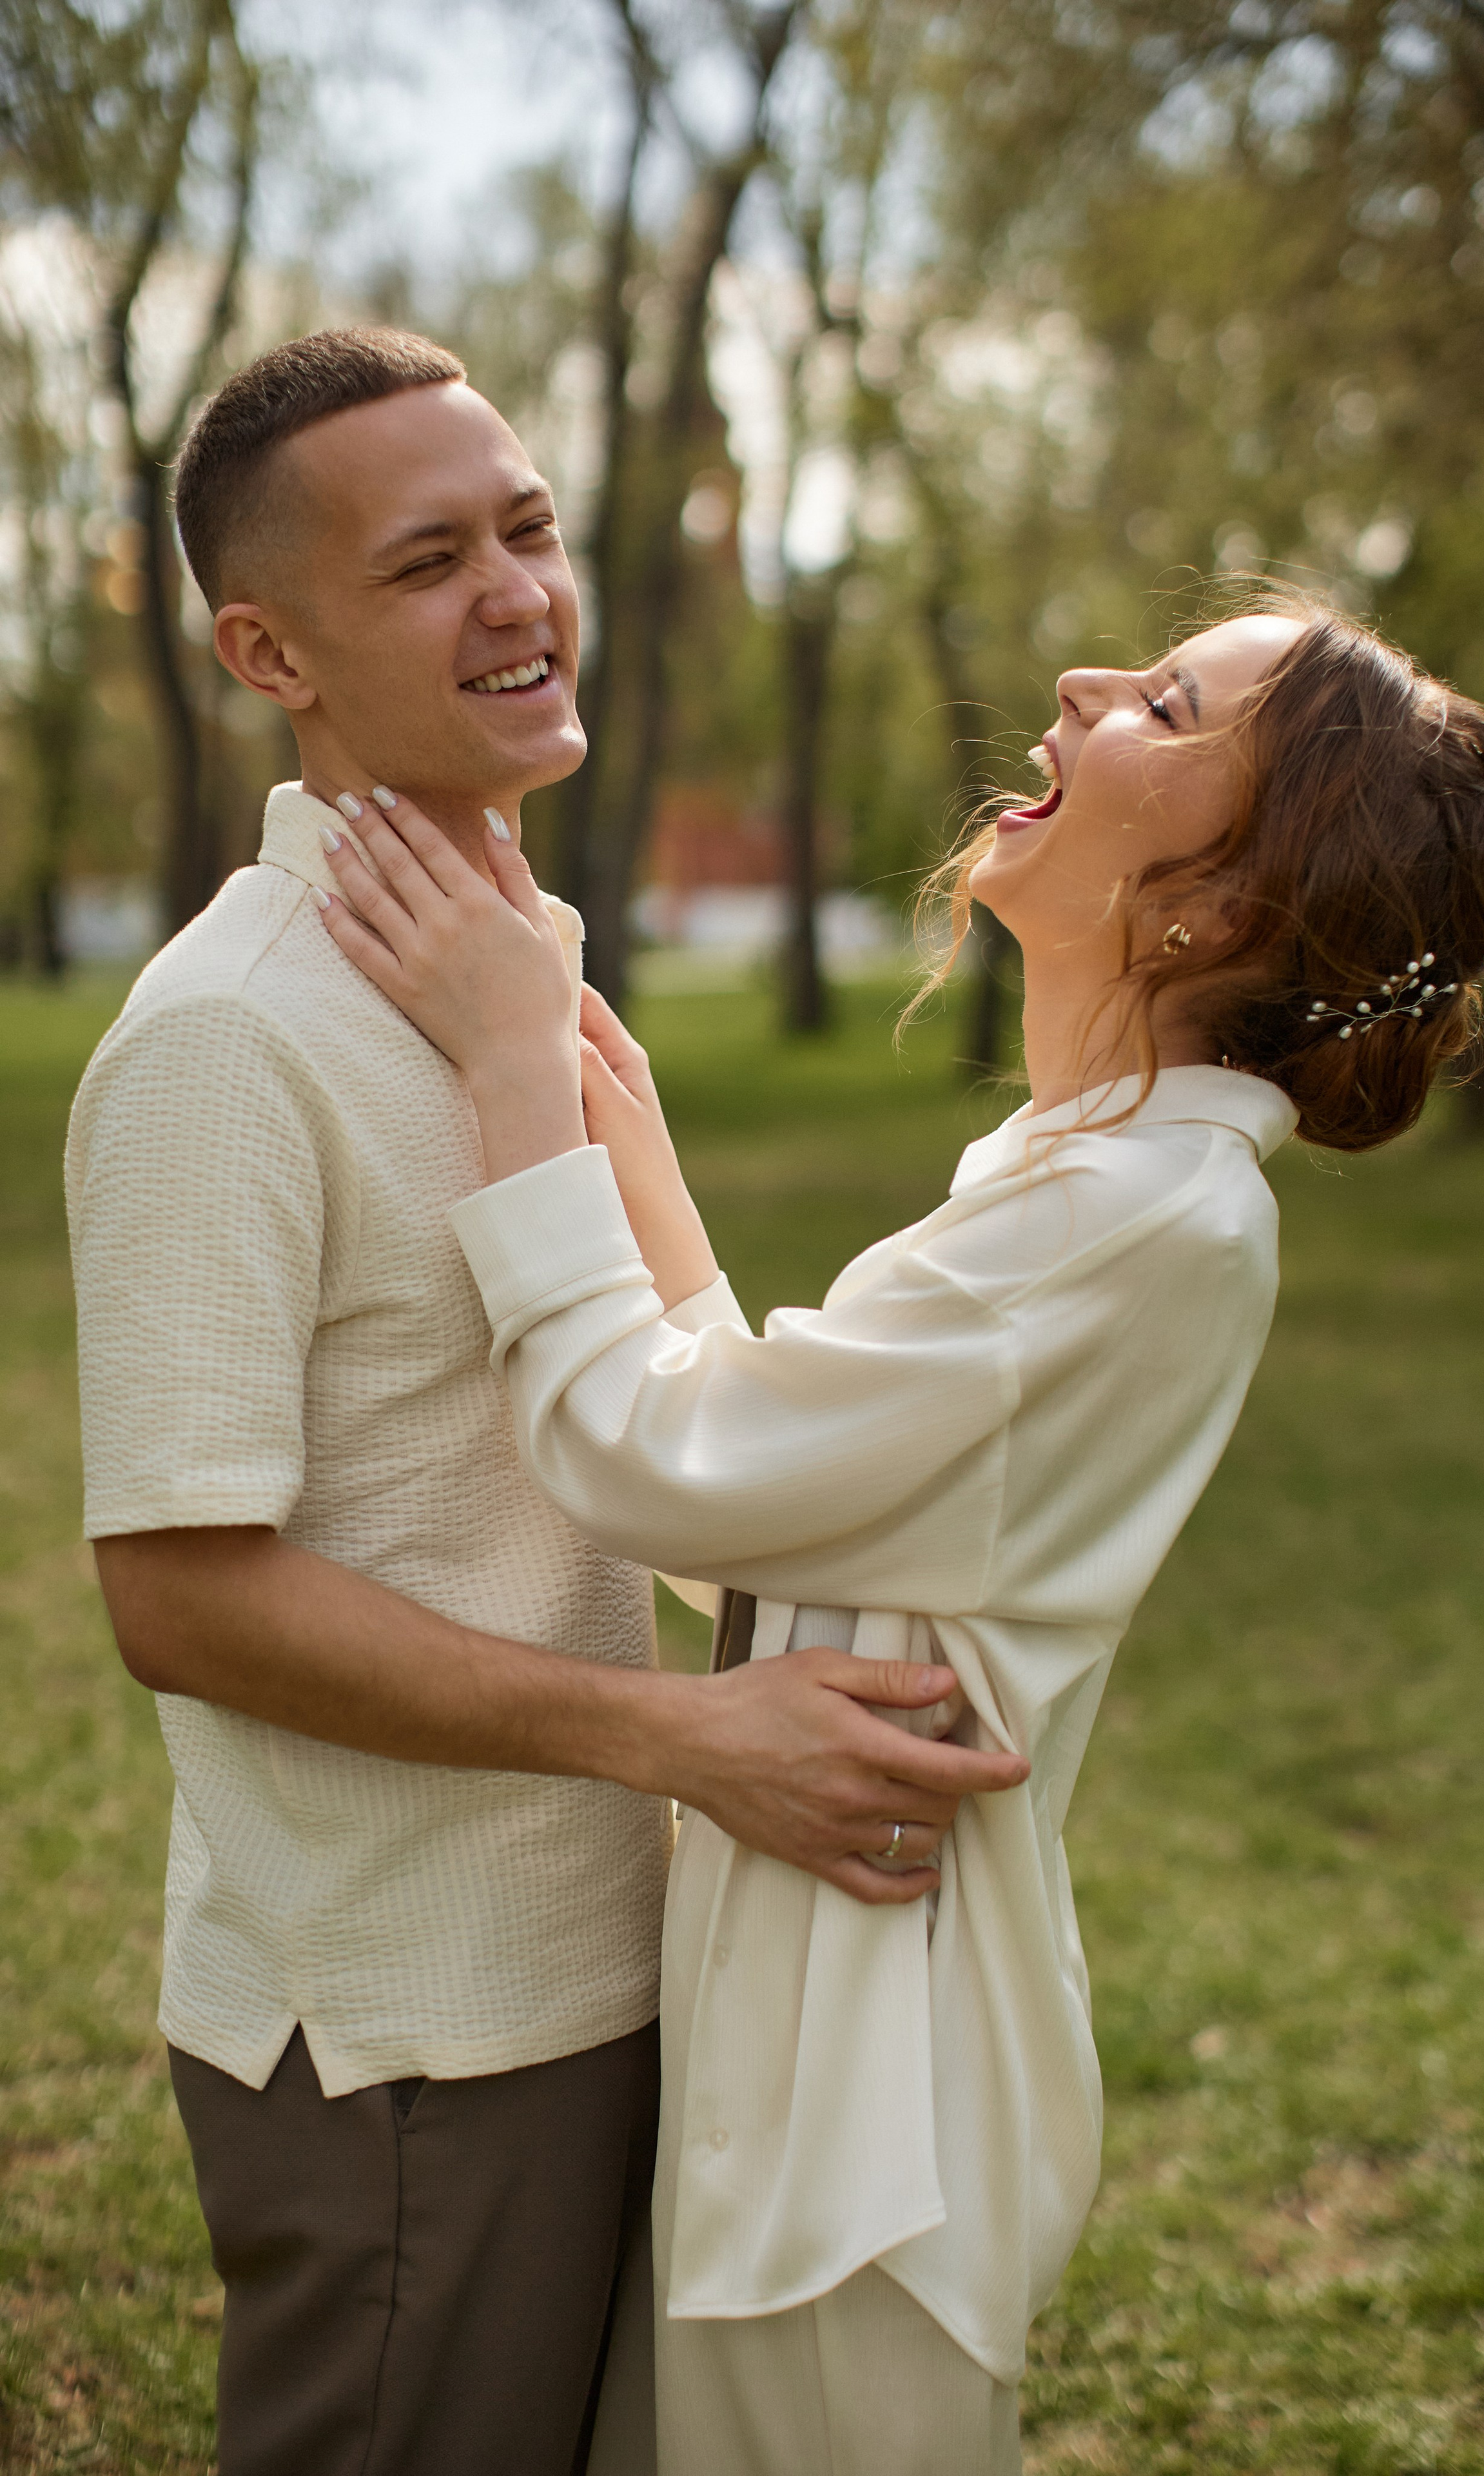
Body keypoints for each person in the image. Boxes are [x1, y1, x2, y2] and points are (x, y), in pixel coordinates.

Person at [314, 591, 1484, 2476]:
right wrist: (622, 1139)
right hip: (806, 2041)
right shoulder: (1089, 1176)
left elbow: (645, 1466)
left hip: (867, 2107)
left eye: (1166, 704)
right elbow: (773, 1524)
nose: (1081, 686)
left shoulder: (1140, 1215)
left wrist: (502, 1081)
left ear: (1221, 904)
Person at [64, 327, 1027, 2476]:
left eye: (530, 528)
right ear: (266, 648)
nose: (518, 594)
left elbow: (659, 1414)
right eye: (427, 563)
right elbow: (182, 1595)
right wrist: (690, 1741)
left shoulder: (519, 977)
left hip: (610, 1965)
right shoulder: (227, 1038)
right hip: (416, 2028)